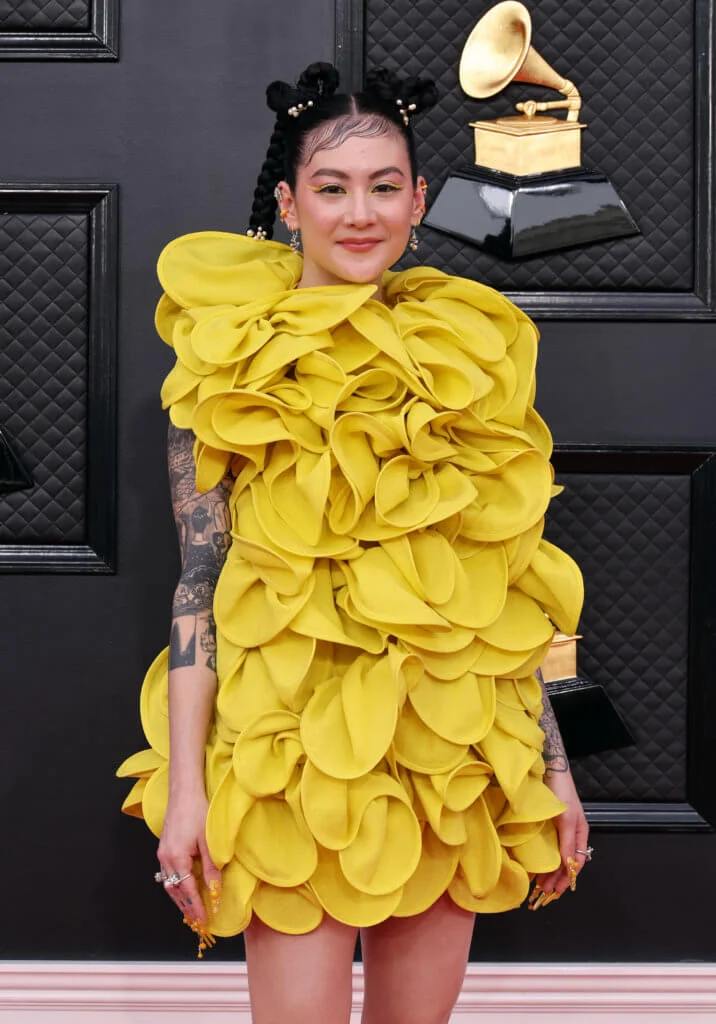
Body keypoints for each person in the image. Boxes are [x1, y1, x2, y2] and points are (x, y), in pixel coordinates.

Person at [118, 61, 590, 1024]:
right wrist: (186, 792)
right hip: (289, 750)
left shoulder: (469, 351)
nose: (360, 212)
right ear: (290, 203)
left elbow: (510, 590)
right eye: (332, 188)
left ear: (419, 200)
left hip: (448, 748)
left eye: (384, 187)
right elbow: (199, 582)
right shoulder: (228, 360)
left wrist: (555, 771)